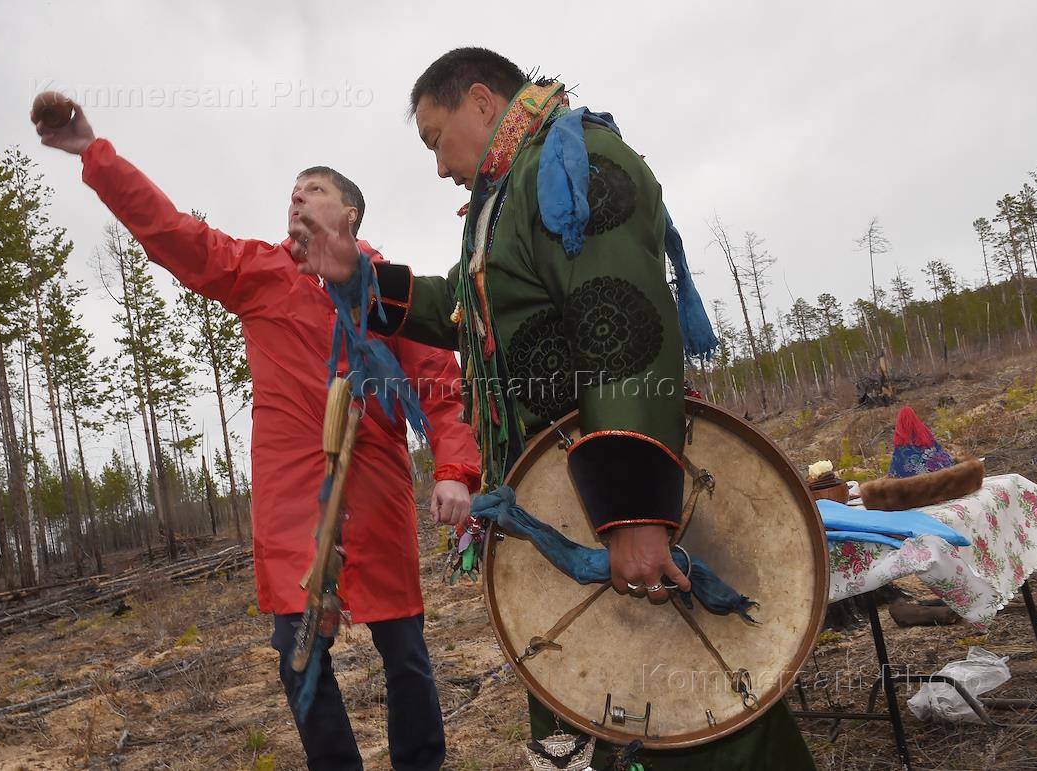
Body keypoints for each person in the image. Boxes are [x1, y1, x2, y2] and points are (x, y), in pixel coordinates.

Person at [287, 48, 817, 769]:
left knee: (691, 709)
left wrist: (634, 514)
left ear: (480, 100)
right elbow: (464, 311)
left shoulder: (570, 163)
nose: (438, 165)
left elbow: (619, 328)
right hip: (560, 501)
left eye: (435, 138)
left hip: (617, 505)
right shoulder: (501, 203)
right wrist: (359, 277)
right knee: (600, 697)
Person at [36, 101, 480, 771]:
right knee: (297, 655)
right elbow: (172, 232)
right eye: (293, 190)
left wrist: (455, 469)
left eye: (316, 188)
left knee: (406, 654)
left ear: (349, 215)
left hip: (378, 499)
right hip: (293, 506)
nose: (298, 196)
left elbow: (442, 388)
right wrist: (96, 154)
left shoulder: (389, 291)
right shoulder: (256, 273)